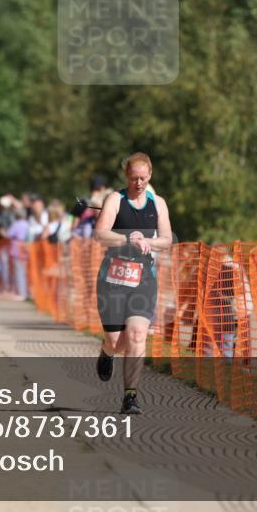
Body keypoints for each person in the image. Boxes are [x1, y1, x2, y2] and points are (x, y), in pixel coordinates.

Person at [94, 152, 173, 415]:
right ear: (126, 176)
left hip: (144, 279)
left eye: (143, 177)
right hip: (113, 278)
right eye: (133, 178)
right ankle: (107, 351)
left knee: (138, 335)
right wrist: (128, 240)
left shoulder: (158, 203)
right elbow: (100, 233)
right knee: (117, 341)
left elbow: (166, 239)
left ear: (149, 175)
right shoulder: (115, 200)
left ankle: (130, 396)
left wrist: (147, 243)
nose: (138, 182)